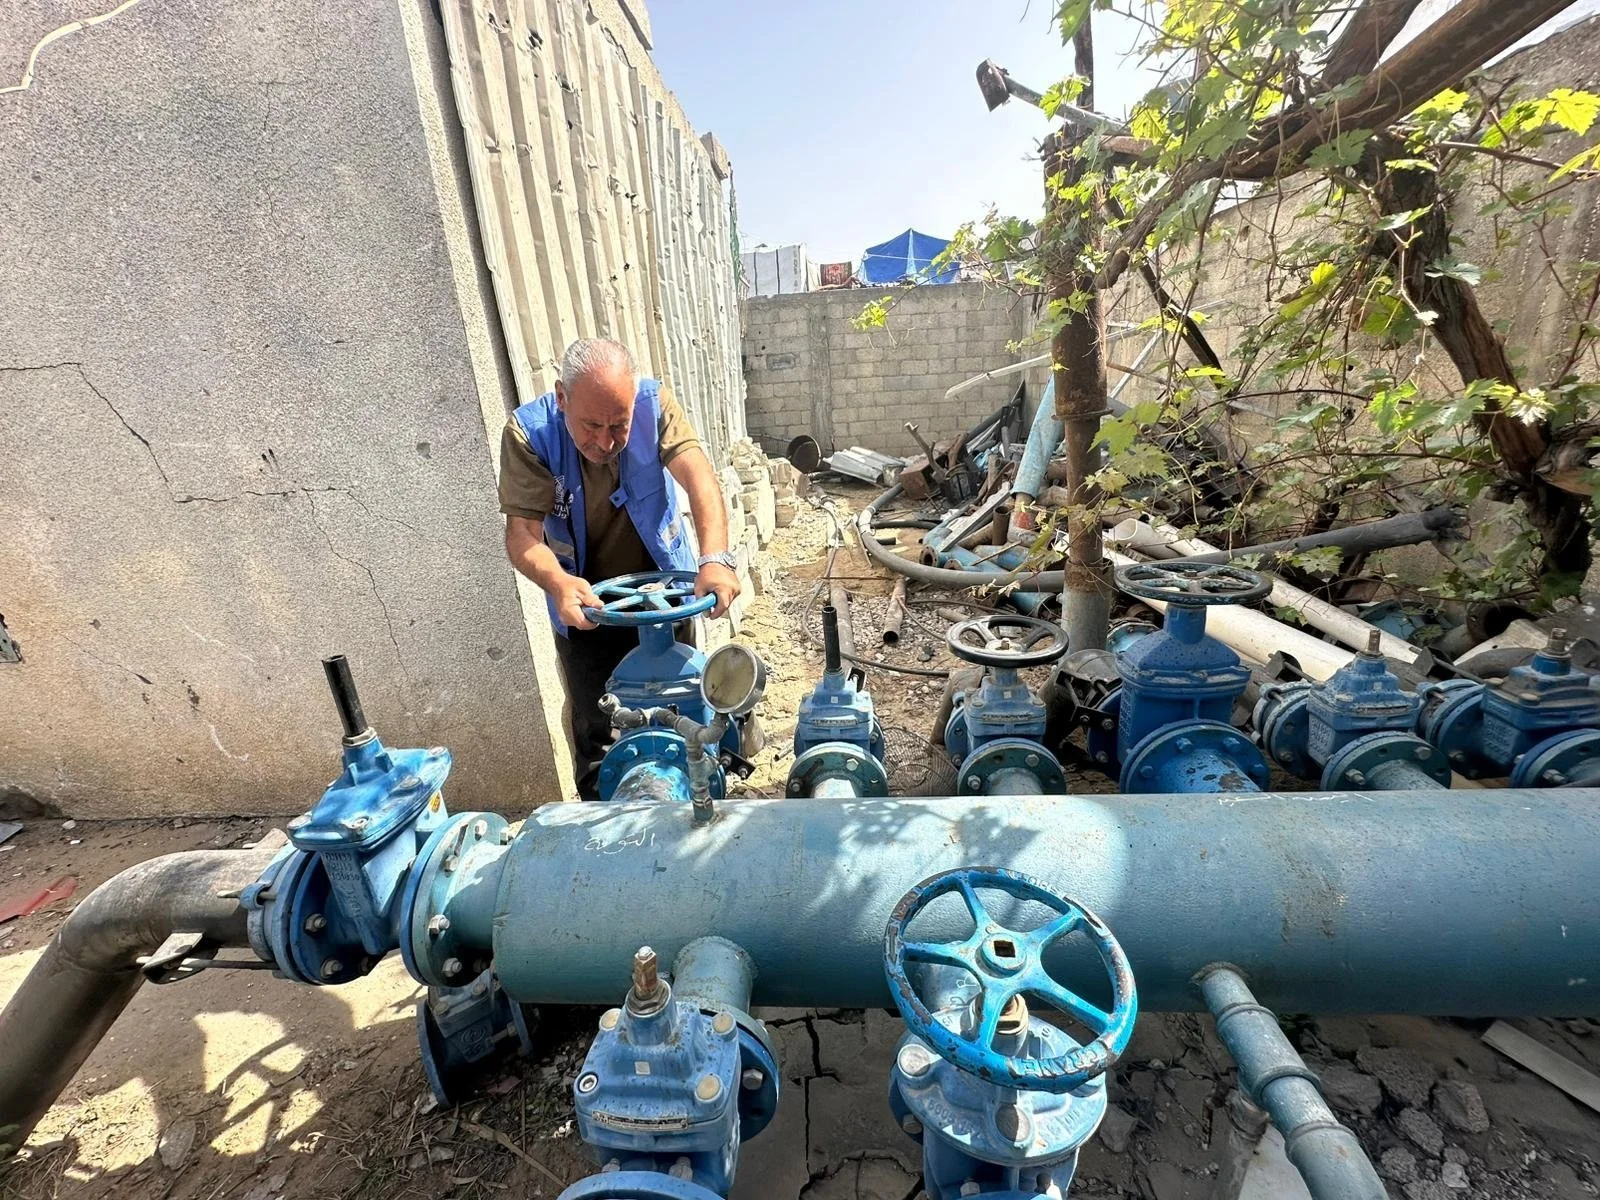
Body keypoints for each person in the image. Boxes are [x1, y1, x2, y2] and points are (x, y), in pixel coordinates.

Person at [498, 337, 740, 795]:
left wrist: (714, 559)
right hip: (586, 606)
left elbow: (700, 479)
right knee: (598, 732)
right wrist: (558, 584)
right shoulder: (530, 434)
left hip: (666, 597)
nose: (605, 442)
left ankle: (706, 794)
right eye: (591, 425)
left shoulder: (654, 404)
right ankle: (601, 821)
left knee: (688, 706)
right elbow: (522, 537)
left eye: (620, 425)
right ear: (562, 397)